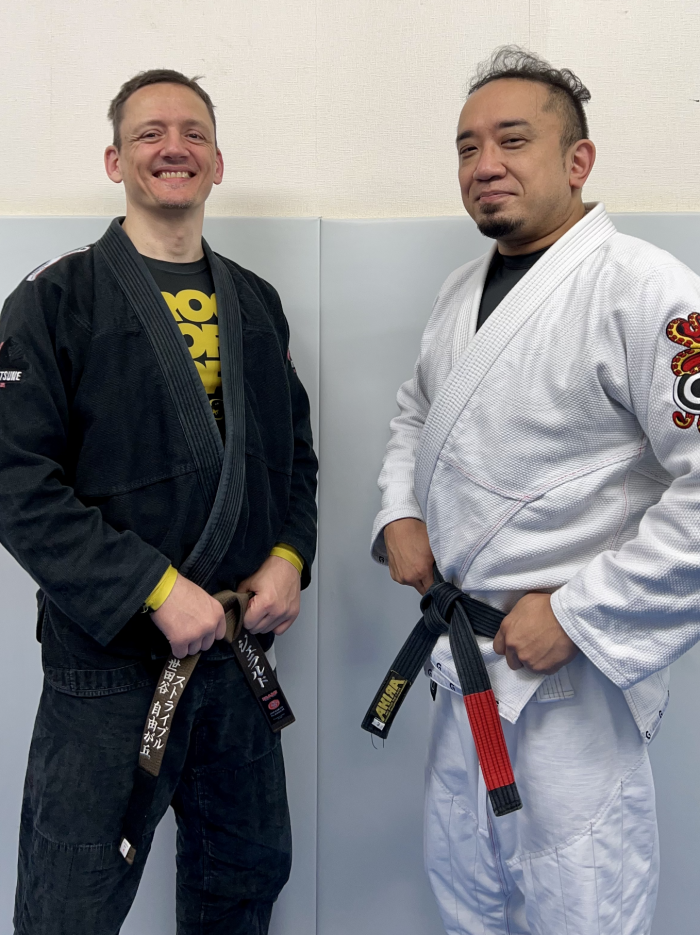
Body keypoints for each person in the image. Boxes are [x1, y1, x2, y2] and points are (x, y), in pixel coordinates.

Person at [371, 46, 700, 935]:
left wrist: (581, 614)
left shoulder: (647, 290)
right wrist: (401, 509)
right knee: (469, 886)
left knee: (581, 899)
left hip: (571, 684)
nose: (485, 164)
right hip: (468, 670)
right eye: (468, 147)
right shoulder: (460, 291)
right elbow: (415, 411)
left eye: (512, 140)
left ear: (577, 160)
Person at [0, 69, 317, 935]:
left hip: (236, 660)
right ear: (116, 161)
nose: (173, 147)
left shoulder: (256, 302)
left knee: (243, 883)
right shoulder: (54, 299)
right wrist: (152, 586)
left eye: (192, 133)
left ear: (217, 162)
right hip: (107, 668)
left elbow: (293, 455)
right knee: (69, 904)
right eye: (149, 133)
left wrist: (290, 555)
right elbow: (16, 480)